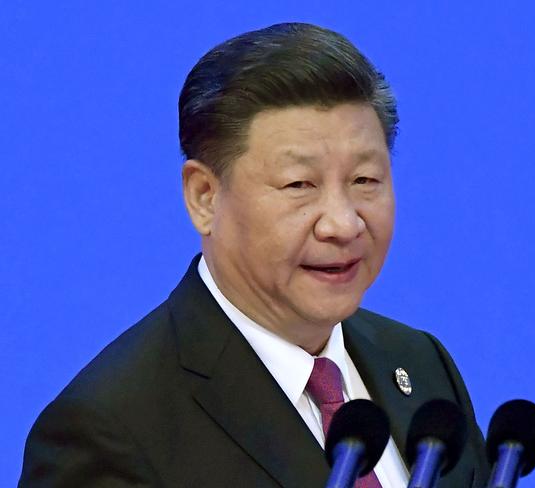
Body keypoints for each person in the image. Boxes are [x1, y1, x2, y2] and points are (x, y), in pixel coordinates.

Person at [19, 23, 488, 487]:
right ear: (204, 196)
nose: (343, 224)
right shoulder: (110, 429)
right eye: (299, 185)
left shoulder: (420, 362)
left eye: (364, 180)